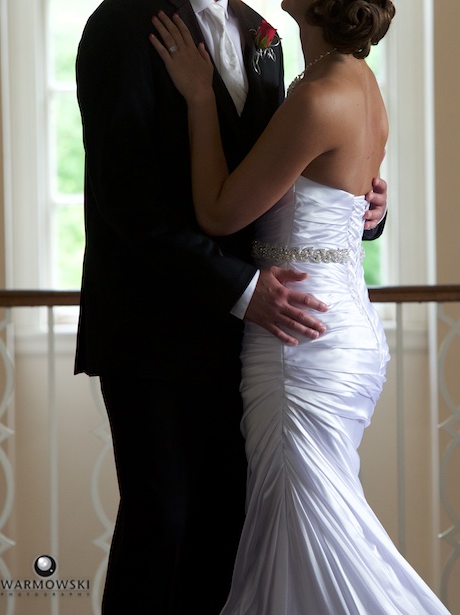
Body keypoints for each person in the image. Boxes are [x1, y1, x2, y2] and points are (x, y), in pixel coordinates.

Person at [74, 0, 387, 612]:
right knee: (160, 525)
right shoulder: (122, 24)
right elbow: (125, 194)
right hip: (156, 335)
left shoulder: (261, 32)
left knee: (231, 537)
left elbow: (284, 172)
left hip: (256, 342)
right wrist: (240, 289)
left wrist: (367, 206)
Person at [149, 0, 452, 613]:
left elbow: (217, 211)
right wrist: (376, 208)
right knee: (303, 537)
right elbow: (342, 195)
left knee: (311, 539)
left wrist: (201, 99)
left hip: (298, 337)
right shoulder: (358, 83)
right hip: (340, 324)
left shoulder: (318, 96)